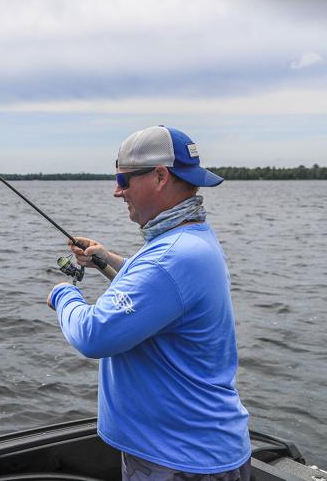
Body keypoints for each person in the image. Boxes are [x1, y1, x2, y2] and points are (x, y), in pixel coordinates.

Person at [46, 126, 251, 480]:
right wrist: (106, 259)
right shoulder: (191, 238)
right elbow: (162, 292)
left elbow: (93, 335)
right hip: (192, 450)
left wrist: (64, 294)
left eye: (123, 179)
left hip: (179, 460)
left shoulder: (169, 258)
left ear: (159, 176)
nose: (117, 191)